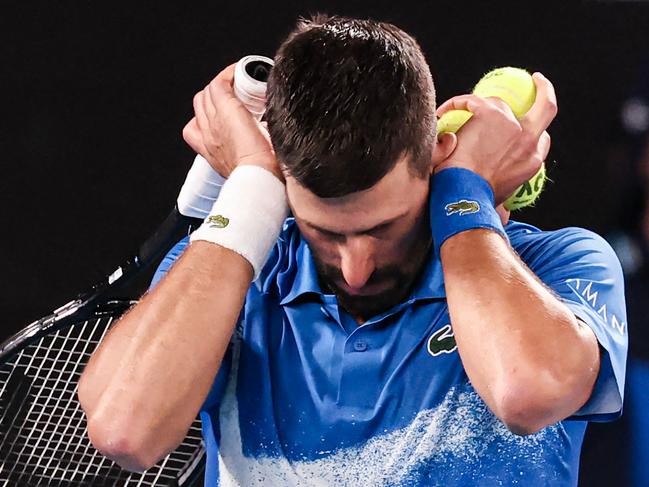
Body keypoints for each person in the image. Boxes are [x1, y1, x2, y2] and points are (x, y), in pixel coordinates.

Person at [78, 15, 628, 486]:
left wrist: (464, 191)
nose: (357, 269)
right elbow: (126, 431)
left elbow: (528, 394)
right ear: (283, 185)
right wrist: (248, 194)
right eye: (327, 232)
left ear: (437, 152)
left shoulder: (558, 267)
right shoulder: (230, 271)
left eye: (383, 227)